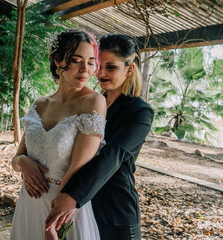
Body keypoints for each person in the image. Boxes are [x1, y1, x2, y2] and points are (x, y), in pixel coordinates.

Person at [45, 34, 154, 239]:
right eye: (99, 65)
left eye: (111, 67)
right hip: (83, 211)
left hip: (115, 212)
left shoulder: (139, 112)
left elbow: (112, 156)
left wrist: (71, 197)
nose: (101, 73)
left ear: (129, 69)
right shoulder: (90, 103)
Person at [10, 29, 107, 240]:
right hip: (29, 202)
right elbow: (16, 159)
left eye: (91, 62)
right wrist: (24, 162)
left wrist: (53, 222)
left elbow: (79, 166)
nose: (85, 69)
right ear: (57, 60)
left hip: (64, 204)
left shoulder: (94, 102)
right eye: (76, 60)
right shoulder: (40, 103)